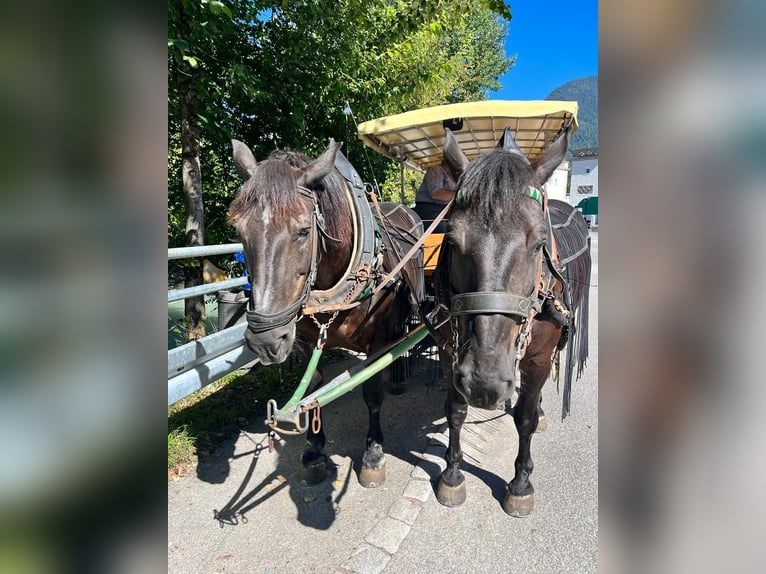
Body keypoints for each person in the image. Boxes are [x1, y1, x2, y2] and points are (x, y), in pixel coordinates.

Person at [413, 158, 457, 233]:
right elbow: (436, 194)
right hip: (429, 210)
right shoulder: (436, 170)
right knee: (443, 230)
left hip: (445, 211)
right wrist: (459, 195)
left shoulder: (454, 176)